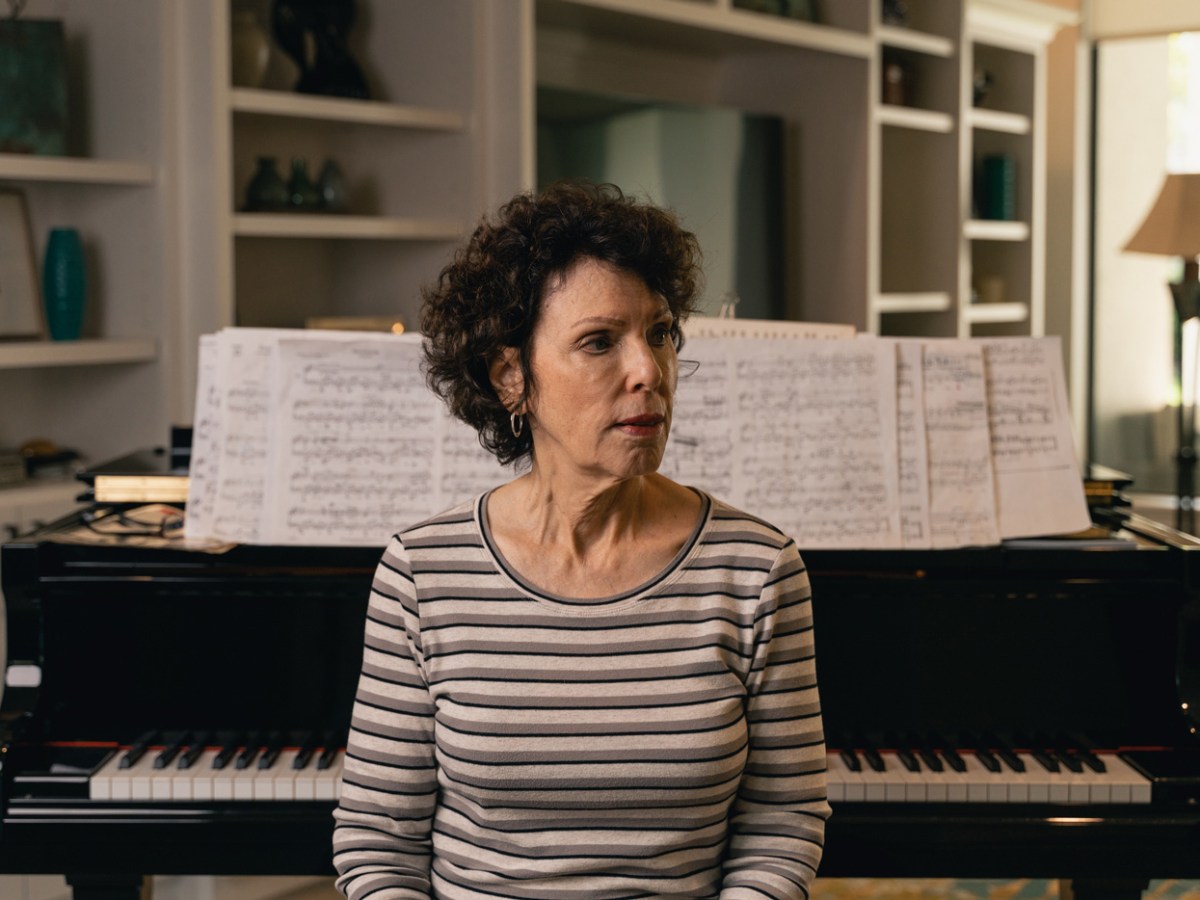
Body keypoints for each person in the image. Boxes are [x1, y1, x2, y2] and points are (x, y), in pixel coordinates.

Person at [332, 181, 830, 899]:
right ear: (511, 377)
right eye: (599, 342)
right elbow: (378, 842)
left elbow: (782, 821)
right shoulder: (421, 573)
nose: (648, 371)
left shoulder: (756, 569)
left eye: (659, 333)